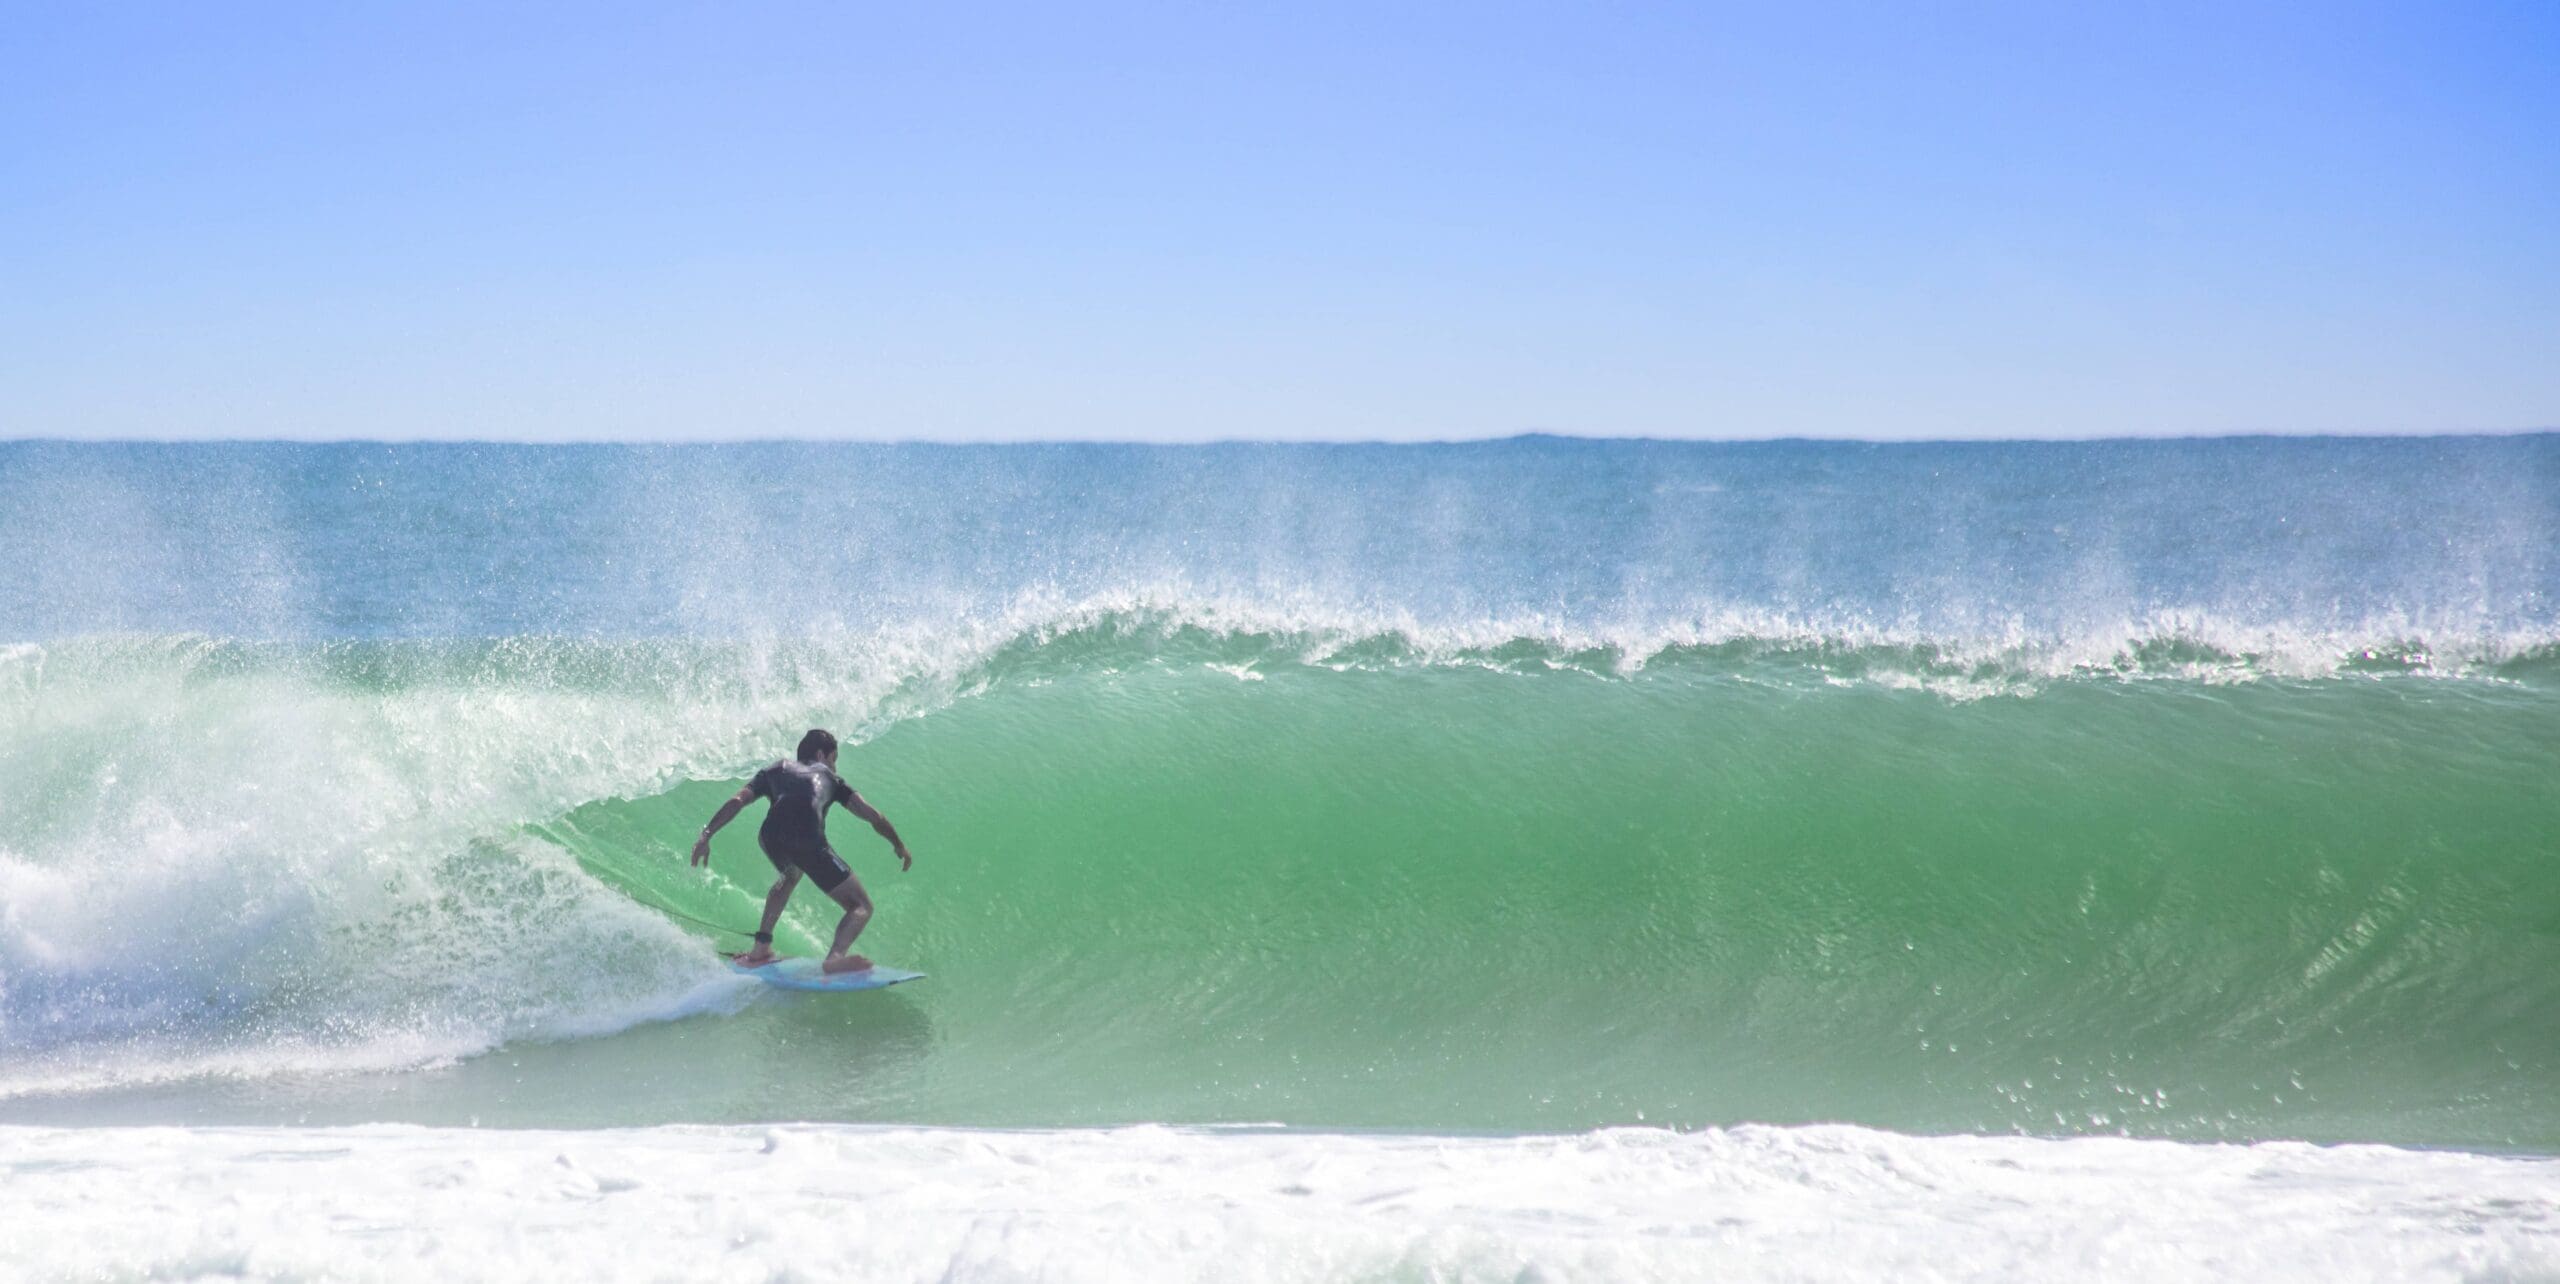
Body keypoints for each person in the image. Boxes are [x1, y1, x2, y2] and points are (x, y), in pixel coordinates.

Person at [691, 728, 913, 974]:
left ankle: (760, 948)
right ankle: (835, 958)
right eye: (833, 760)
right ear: (821, 754)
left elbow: (738, 800)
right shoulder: (832, 780)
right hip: (808, 839)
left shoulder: (775, 769)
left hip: (770, 836)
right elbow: (873, 815)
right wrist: (898, 844)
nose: (834, 767)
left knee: (789, 876)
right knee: (861, 906)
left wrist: (706, 834)